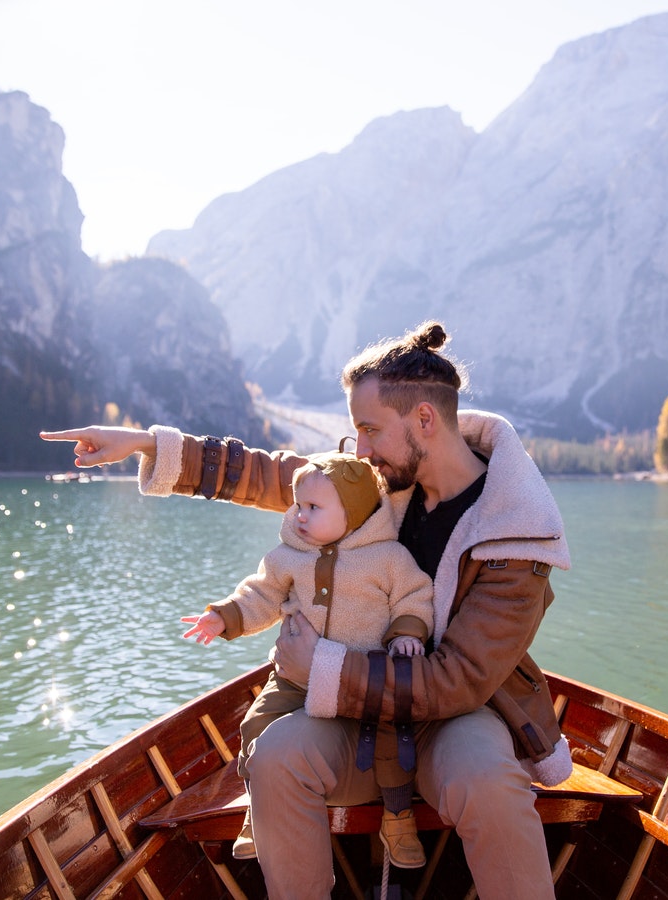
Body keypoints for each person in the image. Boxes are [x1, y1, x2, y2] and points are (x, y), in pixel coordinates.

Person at [41, 320, 572, 900]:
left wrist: (321, 666)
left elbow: (461, 681)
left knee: (489, 781)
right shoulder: (380, 479)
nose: (359, 449)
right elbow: (275, 474)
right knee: (275, 756)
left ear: (424, 419)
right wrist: (146, 443)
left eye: (369, 430)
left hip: (456, 717)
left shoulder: (515, 533)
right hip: (355, 721)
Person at [180, 451, 434, 868]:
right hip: (296, 679)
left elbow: (415, 595)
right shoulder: (289, 555)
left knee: (393, 739)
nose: (300, 515)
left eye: (314, 508)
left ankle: (398, 815)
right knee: (256, 723)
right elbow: (260, 594)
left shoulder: (388, 557)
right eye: (299, 505)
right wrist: (223, 616)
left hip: (363, 678)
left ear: (352, 512)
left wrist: (407, 631)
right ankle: (258, 808)